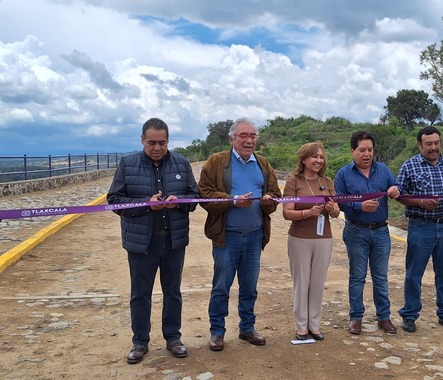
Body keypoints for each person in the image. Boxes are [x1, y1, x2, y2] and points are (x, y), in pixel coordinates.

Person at [107, 117, 200, 364]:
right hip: (141, 243)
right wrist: (146, 206)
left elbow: (195, 197)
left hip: (173, 241)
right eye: (151, 143)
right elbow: (114, 201)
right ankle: (140, 342)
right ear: (142, 140)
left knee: (173, 292)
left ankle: (173, 338)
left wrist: (180, 201)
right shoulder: (127, 164)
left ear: (168, 141)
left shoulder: (181, 163)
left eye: (162, 142)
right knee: (140, 294)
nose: (157, 147)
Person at [198, 117, 282, 351]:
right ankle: (217, 332)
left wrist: (268, 201)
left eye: (253, 136)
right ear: (232, 138)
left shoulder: (263, 164)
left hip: (254, 236)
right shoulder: (216, 162)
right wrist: (232, 201)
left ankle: (247, 328)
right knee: (221, 287)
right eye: (243, 135)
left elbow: (275, 194)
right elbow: (204, 194)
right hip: (227, 236)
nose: (249, 140)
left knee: (249, 286)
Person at [395, 126, 443, 332]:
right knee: (414, 273)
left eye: (436, 143)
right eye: (429, 144)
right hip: (421, 226)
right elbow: (399, 194)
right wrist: (420, 203)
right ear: (420, 145)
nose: (433, 147)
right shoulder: (409, 166)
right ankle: (409, 314)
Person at [334, 131, 401, 335]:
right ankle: (356, 318)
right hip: (356, 231)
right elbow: (339, 201)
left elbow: (396, 185)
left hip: (381, 231)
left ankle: (384, 317)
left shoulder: (383, 170)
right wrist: (359, 205)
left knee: (381, 277)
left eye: (370, 150)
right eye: (362, 150)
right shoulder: (343, 174)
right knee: (357, 277)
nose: (367, 154)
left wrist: (395, 189)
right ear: (353, 150)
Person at [282, 142, 340, 341]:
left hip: (324, 238)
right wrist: (307, 212)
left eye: (321, 157)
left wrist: (332, 209)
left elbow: (337, 211)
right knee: (302, 282)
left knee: (317, 283)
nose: (319, 160)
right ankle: (301, 327)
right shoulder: (293, 181)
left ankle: (314, 326)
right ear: (304, 159)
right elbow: (287, 213)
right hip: (300, 238)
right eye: (315, 156)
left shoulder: (327, 181)